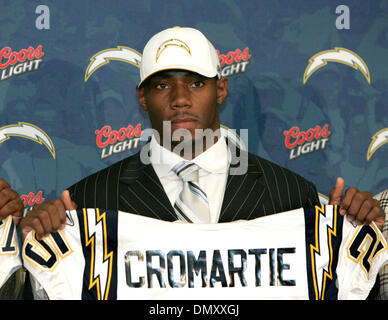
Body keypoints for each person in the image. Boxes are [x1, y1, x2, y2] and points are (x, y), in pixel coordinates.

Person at [19, 26, 385, 240]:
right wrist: (38, 238)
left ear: (221, 90)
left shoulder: (294, 196)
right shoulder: (88, 201)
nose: (180, 99)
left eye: (195, 83)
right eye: (162, 86)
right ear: (142, 97)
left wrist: (351, 235)